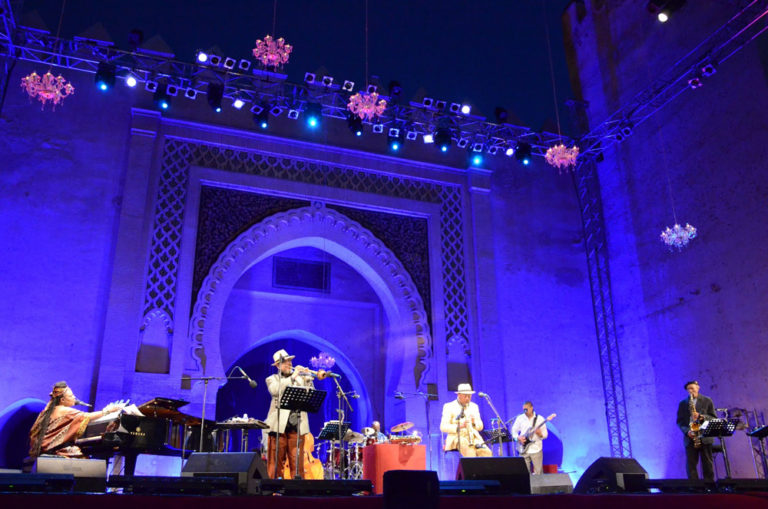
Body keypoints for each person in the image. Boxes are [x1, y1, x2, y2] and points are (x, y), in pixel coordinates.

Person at [29, 381, 124, 458]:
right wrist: (108, 410)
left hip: (41, 451)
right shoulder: (66, 411)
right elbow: (87, 417)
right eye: (71, 396)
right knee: (83, 458)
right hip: (57, 451)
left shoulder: (45, 411)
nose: (74, 397)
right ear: (62, 400)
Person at [265, 349, 315, 479]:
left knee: (297, 464)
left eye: (290, 361)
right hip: (278, 428)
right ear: (277, 365)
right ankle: (273, 492)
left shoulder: (300, 379)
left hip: (296, 426)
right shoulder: (272, 379)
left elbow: (311, 395)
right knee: (275, 464)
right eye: (285, 362)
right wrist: (293, 377)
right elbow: (275, 391)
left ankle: (297, 492)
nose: (289, 364)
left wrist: (308, 380)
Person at [676, 380, 716, 482]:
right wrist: (687, 432)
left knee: (707, 463)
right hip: (691, 437)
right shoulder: (683, 403)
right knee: (691, 465)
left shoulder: (707, 400)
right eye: (689, 389)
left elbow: (713, 418)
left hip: (705, 436)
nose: (691, 391)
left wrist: (701, 416)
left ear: (698, 388)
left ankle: (709, 486)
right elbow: (680, 421)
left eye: (693, 388)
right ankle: (694, 487)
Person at [440, 383, 492, 457]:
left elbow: (480, 426)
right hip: (457, 437)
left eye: (469, 396)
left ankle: (484, 468)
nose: (467, 398)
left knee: (486, 452)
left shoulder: (474, 406)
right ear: (459, 395)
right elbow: (443, 427)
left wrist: (474, 423)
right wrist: (460, 426)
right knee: (470, 451)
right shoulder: (449, 406)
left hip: (474, 437)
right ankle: (471, 468)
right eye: (465, 396)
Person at [511, 401, 549, 474]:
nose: (525, 411)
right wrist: (517, 438)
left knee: (539, 474)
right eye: (524, 409)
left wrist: (540, 434)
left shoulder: (540, 419)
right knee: (524, 474)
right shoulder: (520, 418)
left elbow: (545, 435)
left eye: (526, 409)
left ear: (532, 408)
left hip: (536, 449)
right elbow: (514, 430)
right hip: (523, 449)